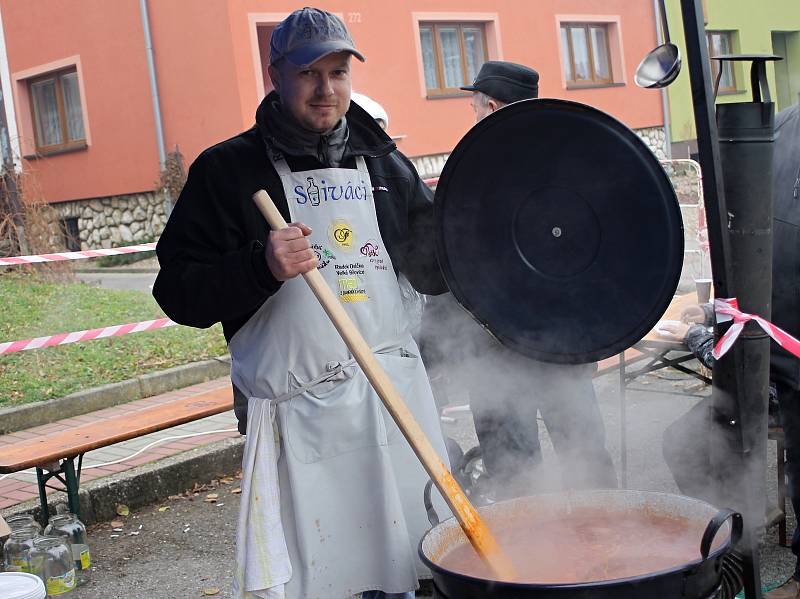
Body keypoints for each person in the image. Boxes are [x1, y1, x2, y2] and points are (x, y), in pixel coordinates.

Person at [152, 8, 451, 599]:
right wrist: (259, 266)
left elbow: (432, 268)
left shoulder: (384, 162)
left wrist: (478, 240)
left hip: (396, 403)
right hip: (300, 420)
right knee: (323, 576)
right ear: (276, 76)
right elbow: (177, 291)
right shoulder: (229, 171)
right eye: (309, 73)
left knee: (416, 565)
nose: (326, 89)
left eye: (338, 72)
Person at [420, 60, 617, 500]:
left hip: (493, 345)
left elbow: (452, 260)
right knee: (584, 449)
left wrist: (432, 347)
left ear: (489, 106)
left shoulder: (473, 169)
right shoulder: (567, 165)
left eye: (474, 107)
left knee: (513, 467)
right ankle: (609, 537)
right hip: (565, 337)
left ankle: (529, 554)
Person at [660, 101, 800, 599]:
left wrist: (700, 337)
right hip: (772, 358)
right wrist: (718, 314)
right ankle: (736, 539)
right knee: (686, 439)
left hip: (781, 366)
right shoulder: (781, 127)